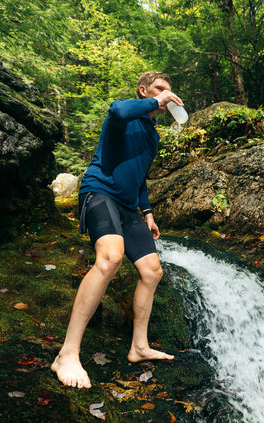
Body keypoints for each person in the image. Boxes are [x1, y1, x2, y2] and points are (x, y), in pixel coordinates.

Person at [51, 72, 183, 389]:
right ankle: (67, 354)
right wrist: (157, 100)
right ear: (144, 91)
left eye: (168, 90)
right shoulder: (124, 116)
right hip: (99, 192)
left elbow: (139, 179)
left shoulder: (153, 135)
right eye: (158, 89)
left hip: (127, 206)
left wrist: (148, 214)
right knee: (110, 259)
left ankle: (138, 346)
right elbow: (118, 111)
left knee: (152, 271)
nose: (166, 95)